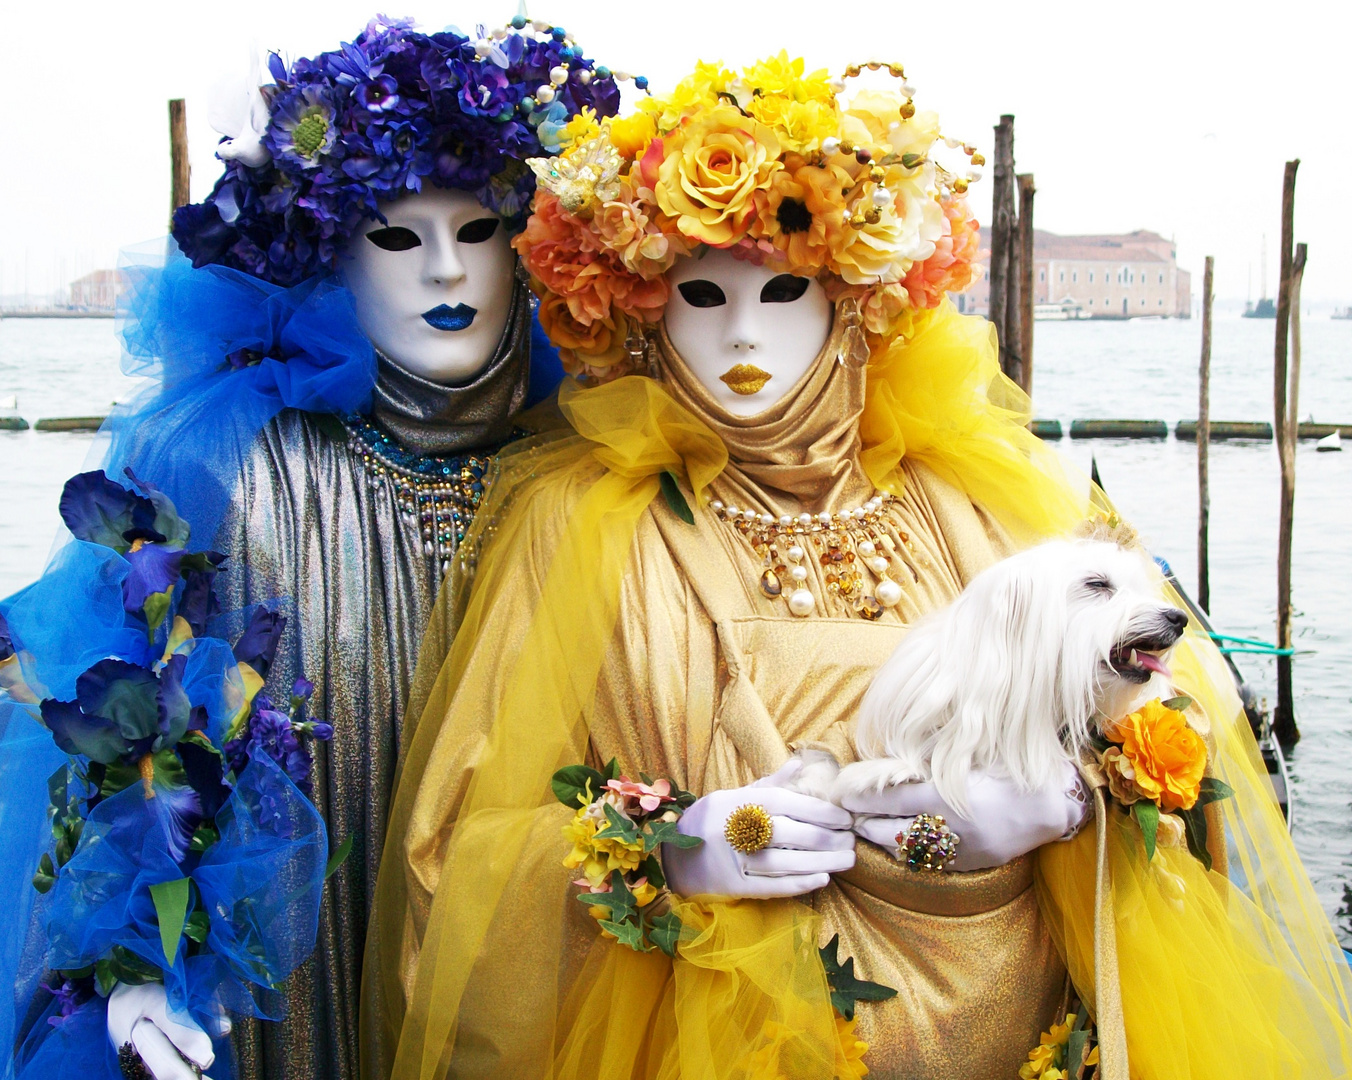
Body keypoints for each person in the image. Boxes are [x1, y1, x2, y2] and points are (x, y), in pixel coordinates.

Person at [363, 54, 1352, 1080]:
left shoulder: (976, 504)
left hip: (1019, 1026)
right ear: (642, 309)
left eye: (785, 289)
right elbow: (454, 856)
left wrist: (1070, 801)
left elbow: (1177, 756)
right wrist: (677, 850)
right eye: (700, 295)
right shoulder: (580, 524)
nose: (742, 332)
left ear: (854, 305)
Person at [16, 15, 630, 1080]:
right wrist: (134, 962)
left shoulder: (592, 473)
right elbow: (123, 718)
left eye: (479, 231)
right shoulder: (235, 466)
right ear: (331, 259)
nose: (445, 269)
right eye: (397, 237)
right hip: (288, 980)